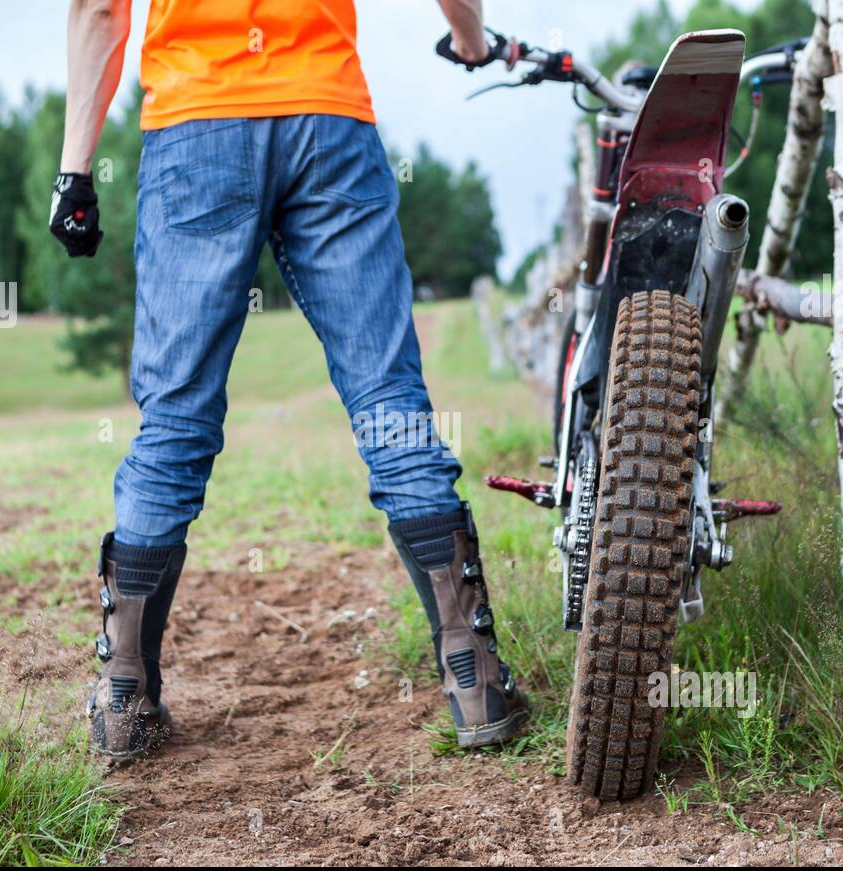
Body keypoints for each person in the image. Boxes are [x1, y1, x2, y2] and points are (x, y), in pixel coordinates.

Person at [50, 0, 527, 762]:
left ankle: (123, 700)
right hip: (325, 115)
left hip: (195, 120)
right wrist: (470, 38)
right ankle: (477, 688)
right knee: (389, 402)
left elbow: (99, 10)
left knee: (174, 420)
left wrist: (74, 171)